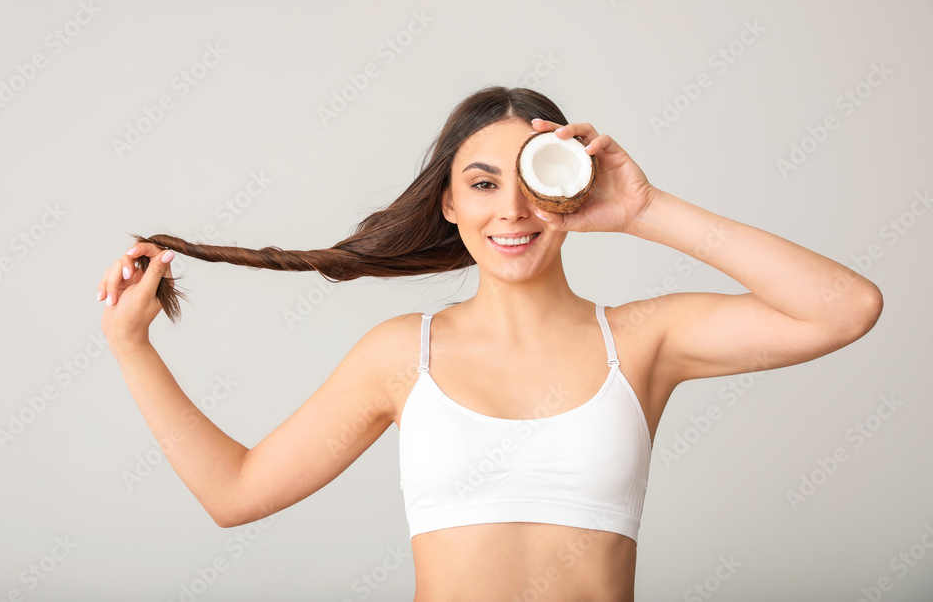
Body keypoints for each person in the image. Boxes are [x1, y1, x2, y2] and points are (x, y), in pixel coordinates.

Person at [95, 86, 883, 601]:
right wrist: (134, 347)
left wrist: (646, 207)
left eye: (534, 180)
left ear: (571, 190)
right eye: (482, 183)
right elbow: (234, 492)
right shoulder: (401, 354)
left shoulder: (642, 340)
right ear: (448, 202)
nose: (512, 210)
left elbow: (844, 308)